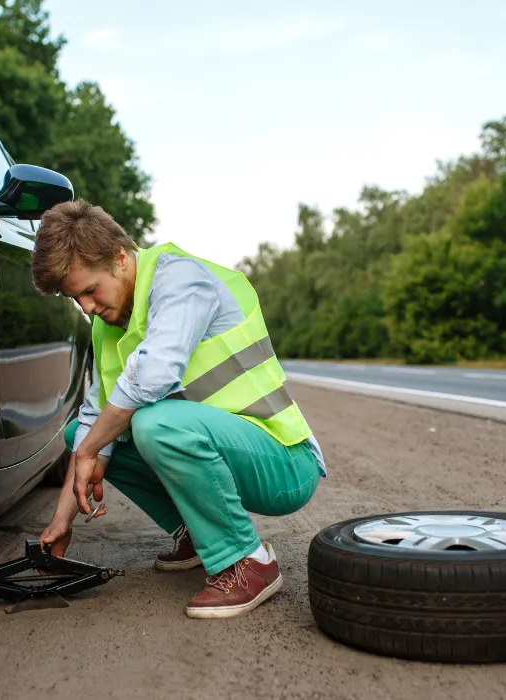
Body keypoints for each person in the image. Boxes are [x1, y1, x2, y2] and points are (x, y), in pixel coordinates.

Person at [29, 199, 327, 619]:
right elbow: (94, 423)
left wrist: (89, 449)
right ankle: (199, 532)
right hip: (227, 450)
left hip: (283, 461)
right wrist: (63, 521)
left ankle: (249, 562)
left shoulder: (181, 279)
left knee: (149, 423)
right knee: (80, 431)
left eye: (90, 291)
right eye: (75, 298)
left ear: (118, 258)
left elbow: (152, 376)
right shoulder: (109, 325)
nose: (87, 308)